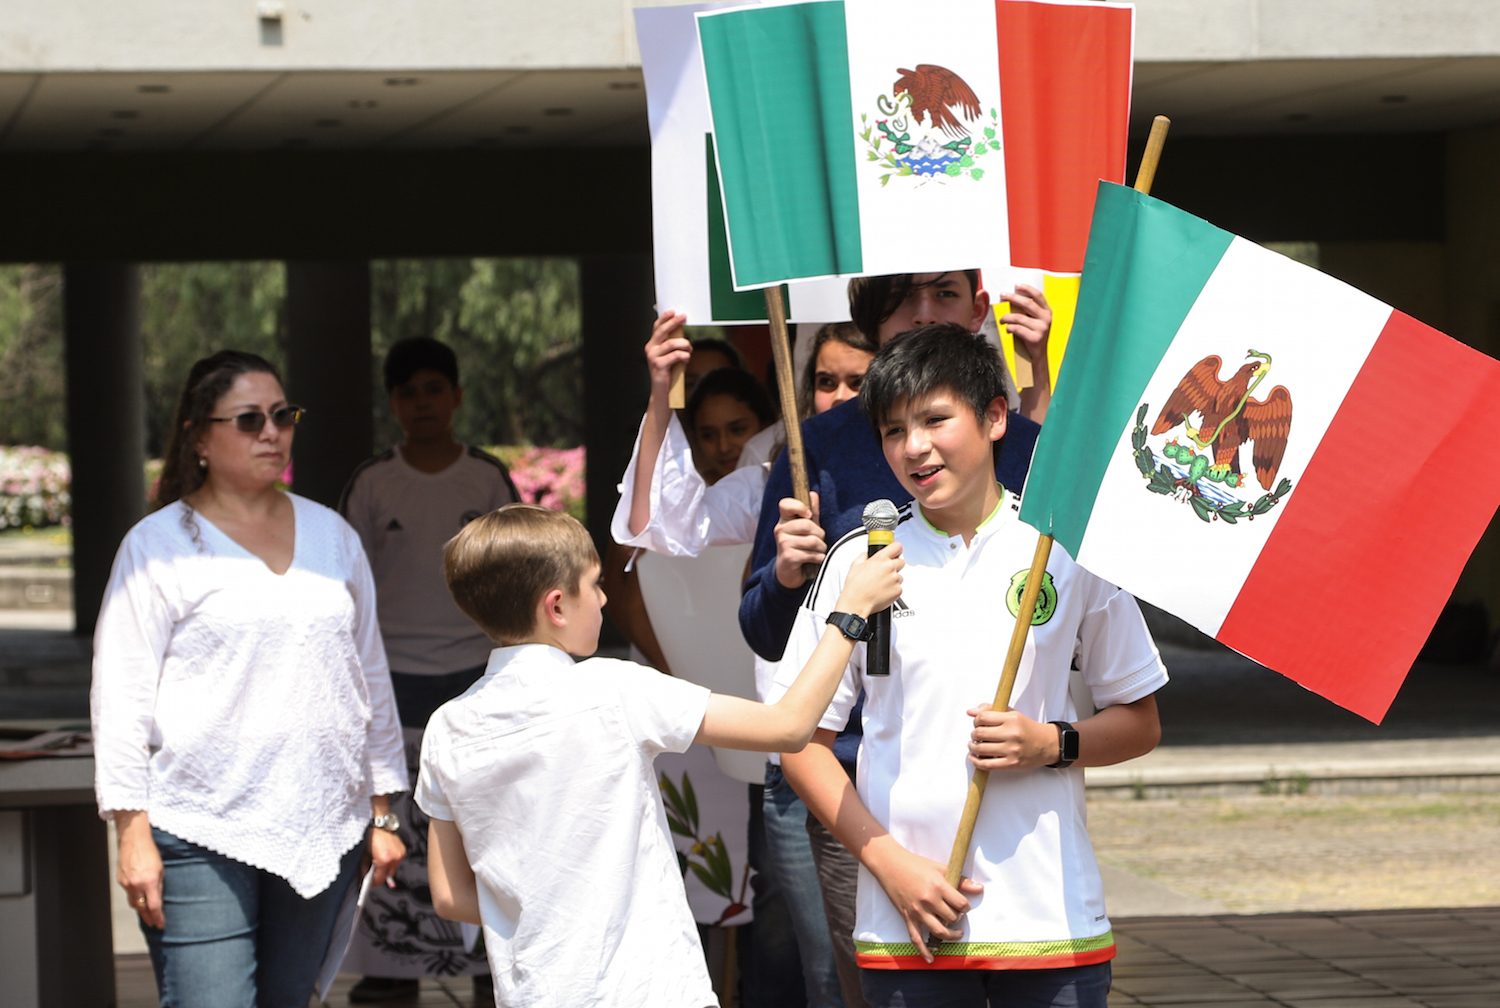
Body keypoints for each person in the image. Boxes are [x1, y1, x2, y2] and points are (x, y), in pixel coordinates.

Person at [775, 324, 1166, 1008]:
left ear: (993, 418)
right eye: (894, 431)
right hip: (910, 927)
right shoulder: (860, 562)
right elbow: (799, 740)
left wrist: (1052, 743)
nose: (914, 448)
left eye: (934, 420)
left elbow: (1139, 720)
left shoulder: (1062, 551)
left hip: (1051, 923)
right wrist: (887, 863)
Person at [415, 503, 906, 1007]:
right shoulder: (612, 688)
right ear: (557, 606)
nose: (606, 600)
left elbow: (449, 895)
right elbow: (789, 726)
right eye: (596, 584)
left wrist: (545, 911)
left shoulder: (446, 728)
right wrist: (851, 608)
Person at [737, 272, 1052, 1002]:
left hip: (1003, 796)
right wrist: (787, 577)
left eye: (944, 295)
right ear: (866, 316)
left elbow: (1067, 613)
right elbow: (763, 632)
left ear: (980, 311)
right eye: (900, 299)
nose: (916, 451)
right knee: (854, 985)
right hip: (854, 787)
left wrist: (1055, 742)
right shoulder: (812, 444)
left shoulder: (1022, 443)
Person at [93, 350, 408, 1008]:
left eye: (283, 415)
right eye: (248, 419)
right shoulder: (157, 547)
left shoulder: (334, 537)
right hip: (199, 826)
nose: (272, 431)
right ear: (198, 437)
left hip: (324, 824)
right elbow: (119, 700)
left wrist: (384, 812)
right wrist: (131, 832)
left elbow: (368, 678)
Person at [611, 317, 879, 1008]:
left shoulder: (936, 470)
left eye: (859, 379)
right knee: (824, 966)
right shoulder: (776, 473)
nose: (841, 396)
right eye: (824, 381)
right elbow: (659, 526)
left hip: (908, 755)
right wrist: (660, 394)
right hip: (802, 758)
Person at [337, 337, 516, 1001]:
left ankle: (492, 978)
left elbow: (516, 574)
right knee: (399, 843)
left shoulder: (487, 477)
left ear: (457, 396)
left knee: (478, 837)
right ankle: (386, 981)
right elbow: (343, 591)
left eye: (434, 389)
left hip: (476, 678)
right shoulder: (373, 481)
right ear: (393, 404)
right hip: (392, 687)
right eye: (409, 392)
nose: (423, 403)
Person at [684, 366, 777, 485]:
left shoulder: (781, 486)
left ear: (765, 425)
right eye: (708, 435)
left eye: (737, 430)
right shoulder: (689, 494)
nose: (724, 447)